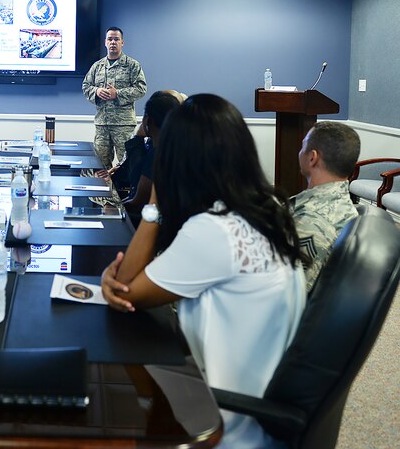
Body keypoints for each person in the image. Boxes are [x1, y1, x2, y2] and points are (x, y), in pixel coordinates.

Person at [100, 94, 305, 449]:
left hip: (223, 426)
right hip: (256, 403)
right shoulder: (266, 208)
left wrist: (155, 203)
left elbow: (124, 291)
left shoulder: (216, 230)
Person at [293, 121, 360, 292]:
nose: (299, 152)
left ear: (312, 157)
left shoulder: (311, 223)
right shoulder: (342, 204)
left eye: (302, 146)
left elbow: (288, 295)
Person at [82, 27, 147, 170]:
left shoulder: (132, 65)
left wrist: (117, 94)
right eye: (110, 39)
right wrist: (97, 91)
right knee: (100, 166)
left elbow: (141, 89)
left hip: (123, 125)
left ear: (122, 42)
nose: (113, 42)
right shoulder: (97, 66)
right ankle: (105, 193)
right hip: (102, 125)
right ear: (105, 42)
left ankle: (128, 193)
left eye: (116, 39)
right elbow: (86, 86)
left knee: (128, 165)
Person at [119, 91, 180, 224]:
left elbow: (137, 201)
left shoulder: (157, 155)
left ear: (148, 120)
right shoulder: (179, 150)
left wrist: (114, 209)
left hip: (149, 224)